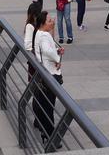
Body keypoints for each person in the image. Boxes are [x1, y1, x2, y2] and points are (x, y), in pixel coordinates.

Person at [32, 11, 64, 149]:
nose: (52, 22)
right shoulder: (45, 35)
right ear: (42, 23)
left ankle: (45, 132)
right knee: (49, 106)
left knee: (45, 104)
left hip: (44, 73)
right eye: (49, 20)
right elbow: (47, 50)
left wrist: (56, 52)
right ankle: (50, 136)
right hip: (50, 74)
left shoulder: (39, 33)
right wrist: (57, 58)